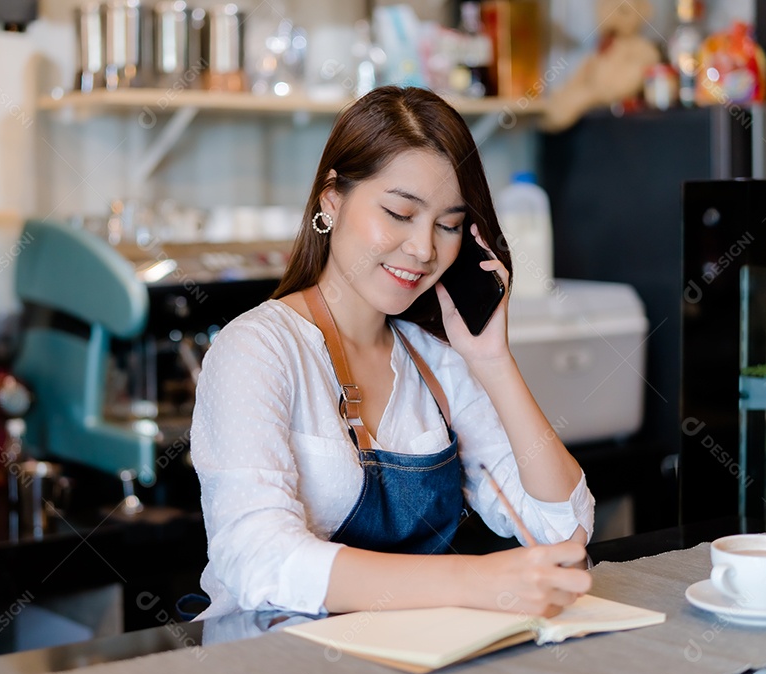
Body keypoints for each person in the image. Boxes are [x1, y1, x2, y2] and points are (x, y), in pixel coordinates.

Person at [189, 86, 594, 623]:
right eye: (400, 213)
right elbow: (256, 557)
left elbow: (564, 529)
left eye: (448, 225)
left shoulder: (438, 362)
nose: (425, 249)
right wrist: (471, 580)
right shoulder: (257, 349)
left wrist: (493, 361)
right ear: (331, 199)